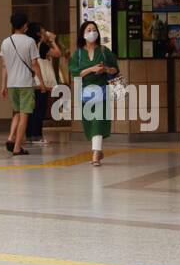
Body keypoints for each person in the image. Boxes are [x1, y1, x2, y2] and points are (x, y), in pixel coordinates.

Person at [70, 19, 119, 166]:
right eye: (88, 30)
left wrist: (105, 70)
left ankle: (95, 154)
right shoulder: (78, 54)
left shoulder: (104, 51)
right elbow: (75, 72)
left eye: (94, 29)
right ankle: (98, 150)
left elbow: (115, 69)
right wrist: (91, 69)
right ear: (83, 34)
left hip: (102, 91)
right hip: (86, 93)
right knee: (89, 124)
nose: (92, 33)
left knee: (98, 121)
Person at [0, 14, 41, 156]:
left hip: (11, 84)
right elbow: (35, 64)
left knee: (16, 112)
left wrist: (3, 85)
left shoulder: (5, 42)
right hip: (25, 83)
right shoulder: (30, 42)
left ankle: (11, 137)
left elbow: (4, 66)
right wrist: (40, 81)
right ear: (24, 25)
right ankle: (17, 147)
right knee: (24, 115)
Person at [34, 29, 66, 143]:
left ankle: (31, 135)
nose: (46, 33)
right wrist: (52, 41)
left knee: (34, 109)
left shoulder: (32, 44)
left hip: (34, 82)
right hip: (42, 83)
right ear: (39, 34)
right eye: (43, 31)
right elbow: (57, 53)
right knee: (39, 110)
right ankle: (36, 136)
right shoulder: (41, 46)